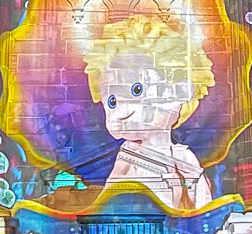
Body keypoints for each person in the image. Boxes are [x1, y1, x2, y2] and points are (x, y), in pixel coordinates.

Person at [82, 14, 215, 209]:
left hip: (172, 230)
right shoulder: (129, 153)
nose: (121, 112)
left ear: (179, 91)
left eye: (137, 90)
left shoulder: (181, 156)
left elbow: (201, 195)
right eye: (112, 102)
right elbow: (108, 195)